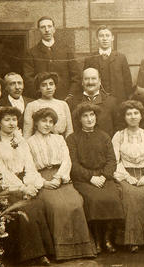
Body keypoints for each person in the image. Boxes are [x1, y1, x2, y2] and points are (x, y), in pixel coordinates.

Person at [27, 107, 96, 260]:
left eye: (51, 122)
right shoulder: (29, 142)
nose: (47, 125)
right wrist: (43, 182)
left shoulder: (59, 139)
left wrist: (59, 177)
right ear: (36, 123)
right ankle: (61, 251)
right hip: (42, 177)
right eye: (44, 121)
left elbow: (67, 160)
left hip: (61, 176)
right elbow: (29, 167)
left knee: (76, 202)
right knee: (56, 206)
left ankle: (82, 249)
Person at [0, 107, 54, 265]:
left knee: (39, 204)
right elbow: (2, 173)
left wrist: (31, 186)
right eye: (7, 120)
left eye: (14, 119)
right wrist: (22, 188)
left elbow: (30, 166)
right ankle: (31, 256)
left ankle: (44, 252)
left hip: (26, 182)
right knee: (24, 209)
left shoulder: (21, 141)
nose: (11, 123)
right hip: (7, 188)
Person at [66, 103, 124, 253]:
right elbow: (73, 163)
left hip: (104, 177)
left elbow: (112, 160)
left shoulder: (104, 136)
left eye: (92, 115)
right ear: (79, 119)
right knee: (95, 200)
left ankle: (107, 238)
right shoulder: (72, 139)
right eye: (85, 116)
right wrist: (91, 177)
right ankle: (97, 240)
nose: (89, 119)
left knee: (113, 198)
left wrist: (104, 176)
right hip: (84, 179)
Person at [112, 100, 144, 252]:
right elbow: (114, 160)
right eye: (129, 114)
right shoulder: (119, 136)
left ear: (141, 116)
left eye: (136, 113)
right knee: (130, 196)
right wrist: (127, 177)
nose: (133, 117)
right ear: (124, 117)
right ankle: (132, 240)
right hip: (125, 175)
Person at [23, 16, 80, 100]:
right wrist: (39, 97)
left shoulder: (65, 50)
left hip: (64, 99)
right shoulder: (31, 53)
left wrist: (70, 95)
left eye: (49, 26)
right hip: (41, 99)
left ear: (54, 29)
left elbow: (76, 76)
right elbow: (28, 79)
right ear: (39, 30)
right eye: (43, 27)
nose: (47, 30)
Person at [84, 25, 132, 103]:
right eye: (101, 36)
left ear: (112, 38)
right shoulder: (90, 59)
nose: (105, 39)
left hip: (119, 102)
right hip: (98, 102)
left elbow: (128, 83)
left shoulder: (121, 58)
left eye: (107, 35)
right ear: (96, 39)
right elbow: (85, 83)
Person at [67, 68, 118, 136]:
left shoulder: (111, 102)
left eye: (93, 78)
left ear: (100, 81)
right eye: (86, 79)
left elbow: (117, 128)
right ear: (82, 82)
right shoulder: (72, 102)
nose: (90, 82)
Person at [23, 72, 73, 138]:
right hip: (39, 144)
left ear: (55, 87)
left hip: (60, 143)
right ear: (39, 88)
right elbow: (27, 133)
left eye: (51, 84)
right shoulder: (32, 106)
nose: (48, 87)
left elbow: (69, 131)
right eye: (44, 85)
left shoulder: (63, 104)